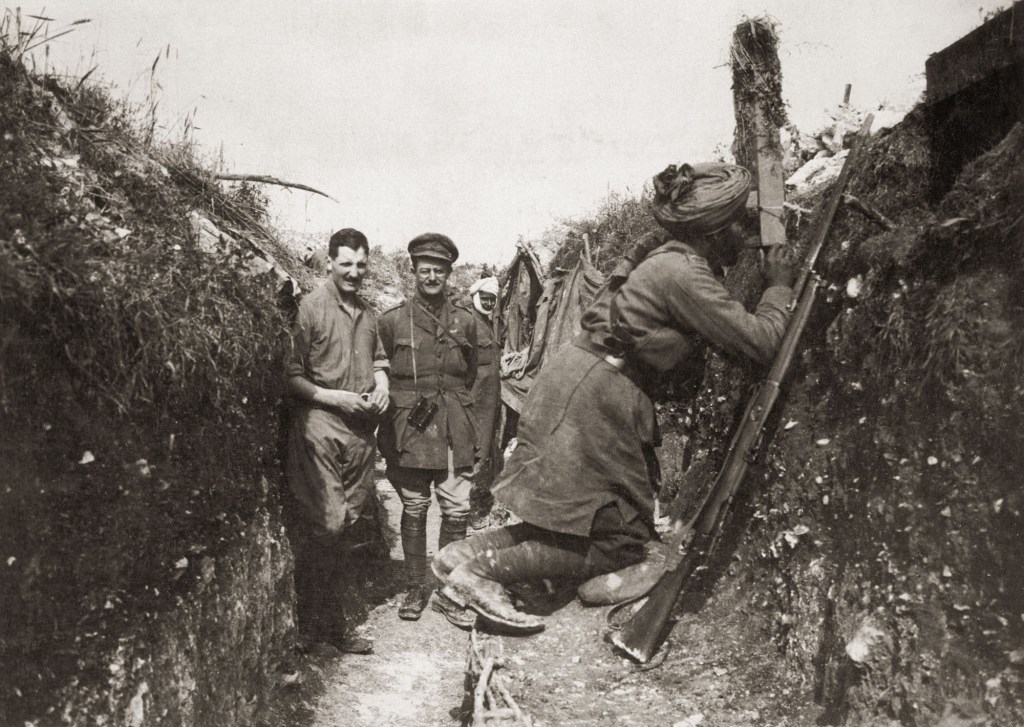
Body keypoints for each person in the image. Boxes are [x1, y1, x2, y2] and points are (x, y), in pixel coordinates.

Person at [432, 162, 796, 632]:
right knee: (618, 541)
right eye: (741, 225)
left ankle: (460, 556)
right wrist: (780, 285)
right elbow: (762, 343)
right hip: (597, 395)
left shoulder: (660, 256)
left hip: (582, 379)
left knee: (583, 522)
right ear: (717, 228)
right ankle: (479, 575)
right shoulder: (680, 272)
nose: (748, 238)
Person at [283, 228, 390, 654]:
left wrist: (383, 387)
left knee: (345, 527)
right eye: (345, 263)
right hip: (321, 429)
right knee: (327, 524)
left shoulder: (367, 312)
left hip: (361, 435)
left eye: (361, 264)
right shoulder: (310, 308)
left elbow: (380, 361)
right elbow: (291, 376)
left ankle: (332, 627)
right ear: (329, 262)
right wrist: (336, 398)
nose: (354, 272)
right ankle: (314, 627)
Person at [377, 233, 479, 621]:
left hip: (454, 427)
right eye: (425, 270)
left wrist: (477, 435)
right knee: (416, 507)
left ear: (449, 273)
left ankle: (449, 590)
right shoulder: (391, 320)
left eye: (439, 270)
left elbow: (475, 378)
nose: (431, 276)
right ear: (414, 272)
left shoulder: (466, 322)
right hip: (410, 431)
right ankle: (416, 587)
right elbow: (380, 373)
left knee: (456, 509)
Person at [465, 276, 504, 530]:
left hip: (489, 403)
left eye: (492, 299)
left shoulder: (489, 325)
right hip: (474, 401)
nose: (488, 302)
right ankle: (469, 511)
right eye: (485, 298)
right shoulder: (468, 323)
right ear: (474, 297)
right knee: (473, 453)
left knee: (485, 452)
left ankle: (474, 506)